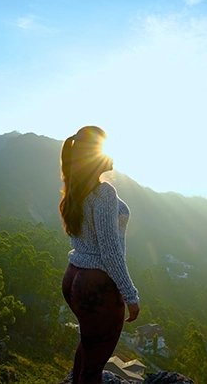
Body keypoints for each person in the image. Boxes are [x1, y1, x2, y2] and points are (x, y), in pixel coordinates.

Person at [59, 126, 140, 384]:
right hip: (96, 285)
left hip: (73, 276)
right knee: (94, 368)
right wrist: (130, 295)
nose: (112, 152)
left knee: (88, 345)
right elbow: (111, 252)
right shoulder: (104, 193)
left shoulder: (77, 188)